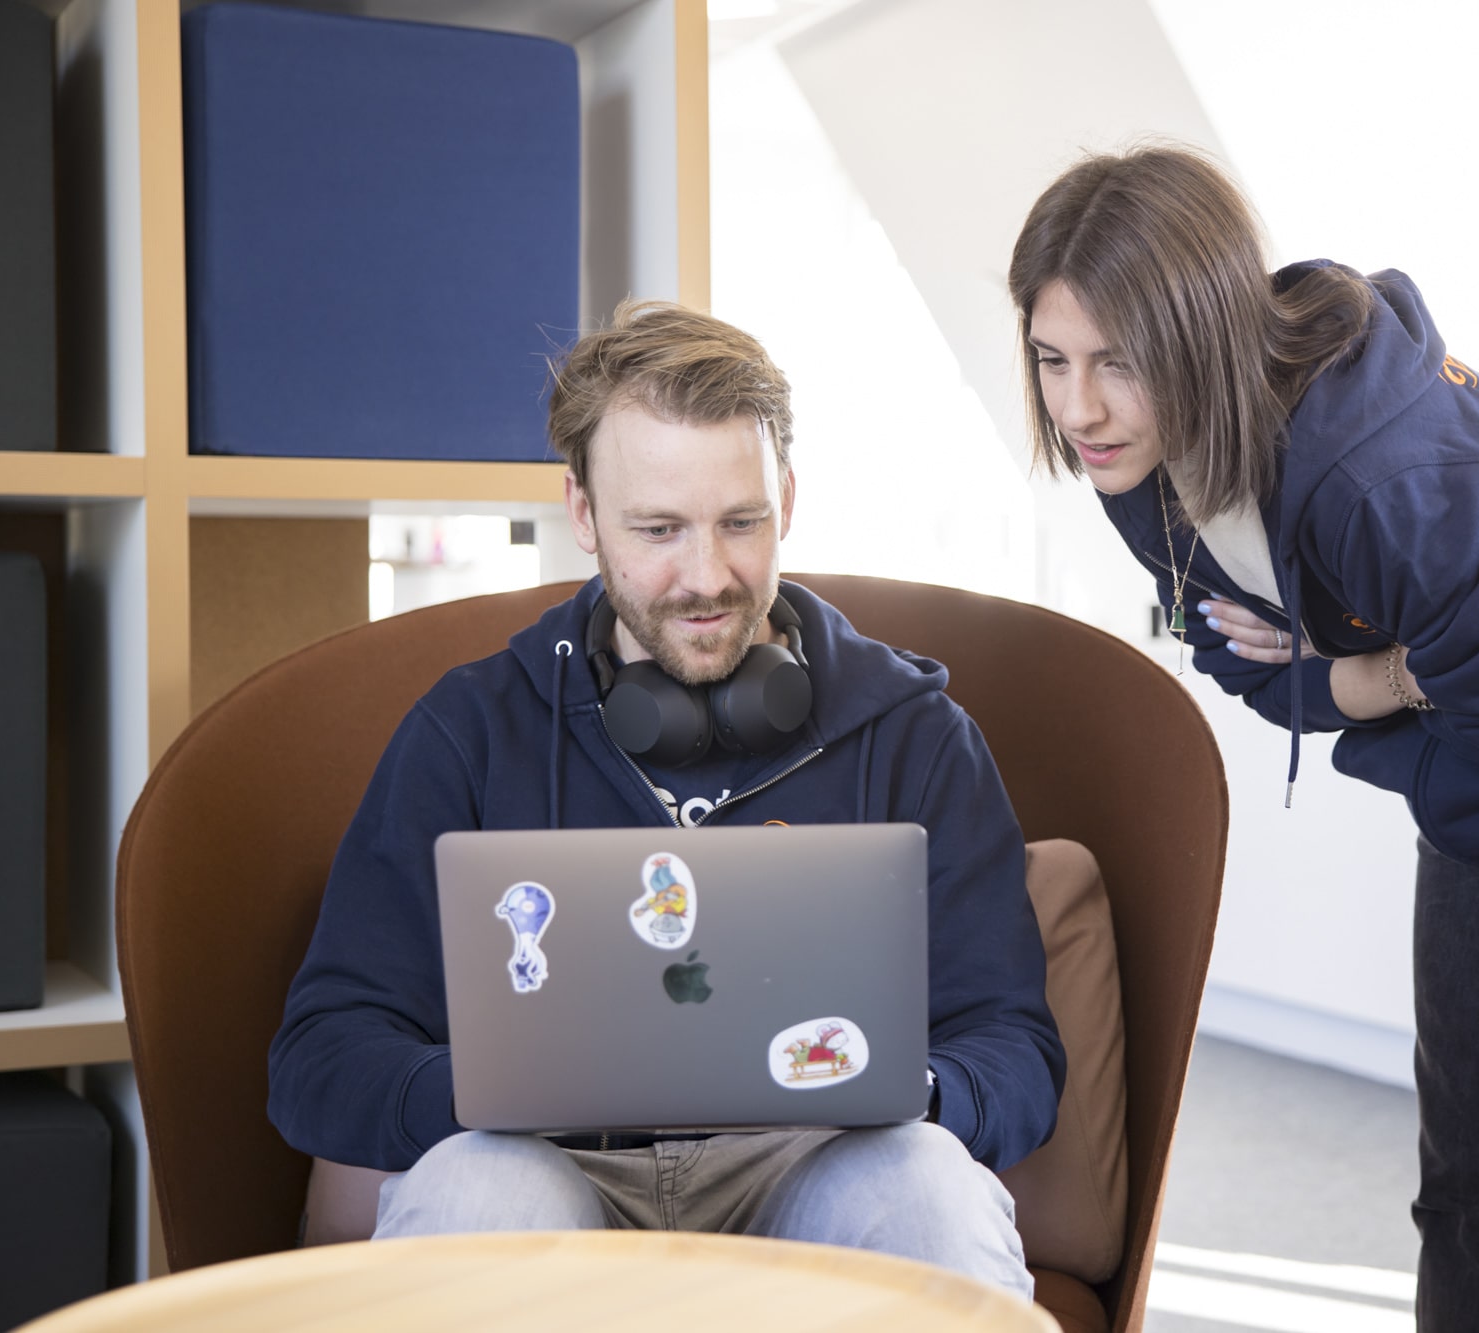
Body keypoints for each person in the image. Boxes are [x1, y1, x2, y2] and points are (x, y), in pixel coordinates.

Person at [1009, 145, 1479, 1333]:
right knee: (1473, 1190)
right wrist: (1401, 667)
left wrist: (1362, 673)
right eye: (1051, 359)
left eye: (1117, 361)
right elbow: (1252, 674)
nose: (1077, 409)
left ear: (1203, 333)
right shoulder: (1136, 469)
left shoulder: (1382, 473)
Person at [268, 300, 1063, 1297]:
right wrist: (492, 1096)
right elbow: (320, 1057)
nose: (707, 576)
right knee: (475, 1189)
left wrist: (921, 1092)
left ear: (786, 498)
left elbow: (1016, 1045)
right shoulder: (467, 732)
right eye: (657, 529)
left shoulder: (914, 735)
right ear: (584, 516)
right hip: (550, 1163)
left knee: (932, 1189)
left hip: (813, 1161)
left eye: (741, 523)